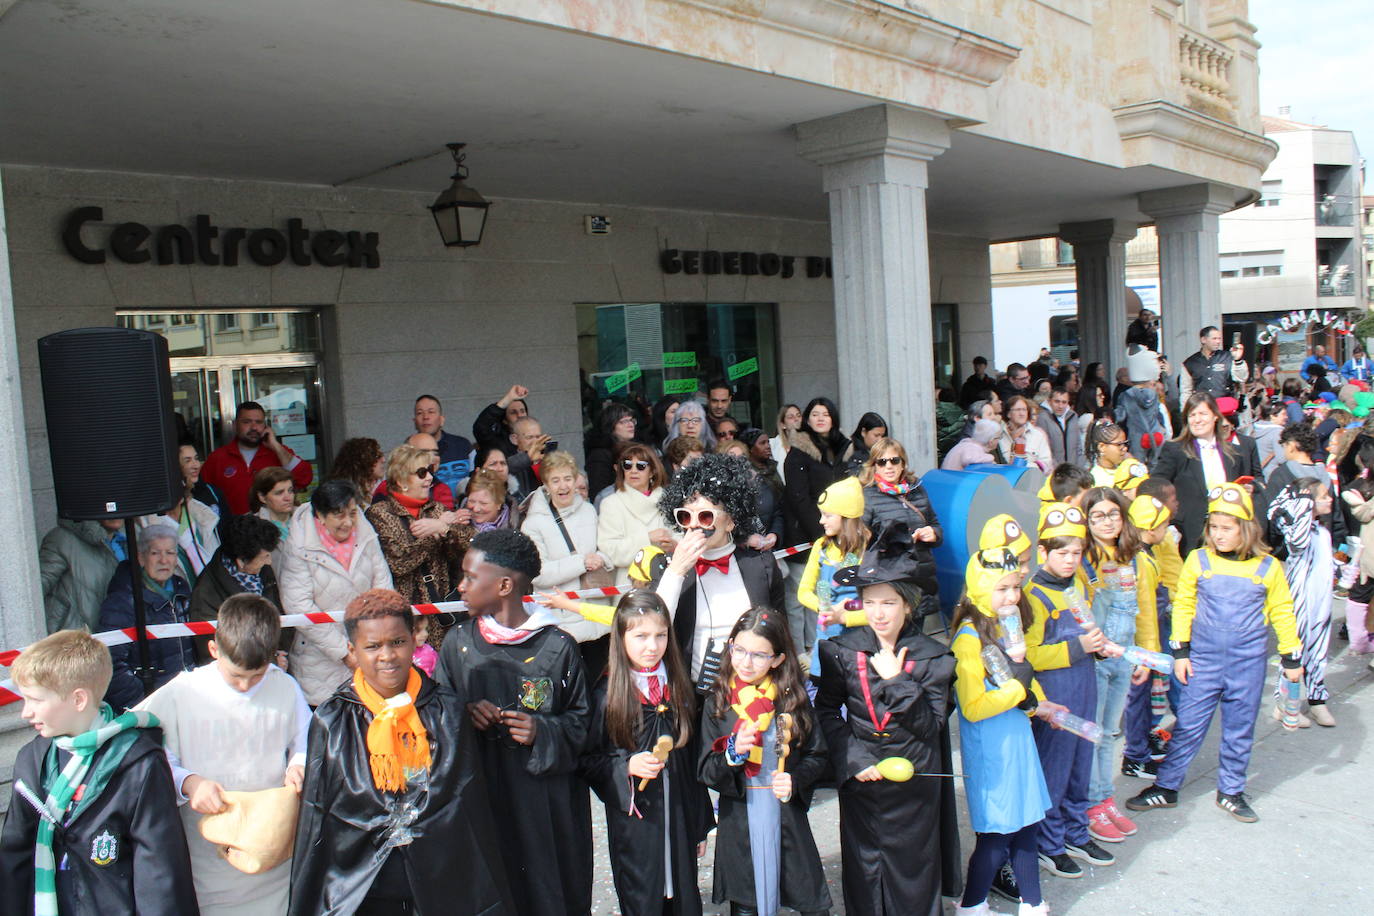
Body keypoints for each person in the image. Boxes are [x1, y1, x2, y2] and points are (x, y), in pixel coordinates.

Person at [289, 589, 514, 914]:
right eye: (372, 646)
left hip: (442, 878)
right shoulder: (333, 719)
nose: (387, 656)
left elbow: (466, 804)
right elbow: (319, 816)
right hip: (365, 884)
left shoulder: (446, 709)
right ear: (353, 650)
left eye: (397, 642)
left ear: (413, 640)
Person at [435, 529, 593, 916]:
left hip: (545, 807)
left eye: (471, 577)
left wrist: (543, 731)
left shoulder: (557, 647)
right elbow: (437, 721)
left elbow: (583, 725)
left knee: (546, 893)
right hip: (484, 798)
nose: (461, 585)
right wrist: (465, 714)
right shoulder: (459, 644)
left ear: (504, 585)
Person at [1126, 484, 1301, 823]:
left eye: (1227, 528)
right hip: (1202, 661)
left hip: (1247, 664)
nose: (1219, 535)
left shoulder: (1268, 568)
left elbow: (1282, 611)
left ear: (1246, 529)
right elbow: (1184, 605)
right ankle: (1167, 786)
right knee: (1188, 724)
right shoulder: (1199, 559)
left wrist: (1292, 658)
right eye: (1214, 528)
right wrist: (1180, 651)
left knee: (1240, 726)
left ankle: (1232, 790)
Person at [1, 629, 199, 916]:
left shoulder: (137, 762)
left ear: (78, 699)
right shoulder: (32, 760)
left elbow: (160, 868)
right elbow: (14, 856)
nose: (25, 712)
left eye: (36, 700)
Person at [816, 526, 960, 916]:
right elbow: (826, 712)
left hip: (914, 785)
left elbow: (930, 726)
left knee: (913, 873)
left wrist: (898, 682)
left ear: (908, 606)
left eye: (889, 603)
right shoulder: (842, 652)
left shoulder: (934, 658)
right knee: (864, 871)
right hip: (862, 783)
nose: (878, 613)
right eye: (871, 602)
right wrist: (855, 759)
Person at [136, 594, 309, 916]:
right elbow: (148, 756)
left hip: (272, 841)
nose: (245, 686)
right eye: (235, 676)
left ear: (272, 659)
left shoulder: (285, 687)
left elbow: (305, 740)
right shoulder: (181, 692)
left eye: (256, 676)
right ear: (214, 650)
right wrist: (189, 782)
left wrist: (298, 765)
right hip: (208, 849)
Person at [580, 591, 714, 916]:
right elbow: (587, 758)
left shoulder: (680, 688)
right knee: (643, 895)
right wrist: (627, 765)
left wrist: (699, 823)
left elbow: (693, 758)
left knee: (684, 893)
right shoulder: (607, 694)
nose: (651, 646)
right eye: (640, 636)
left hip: (680, 811)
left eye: (660, 635)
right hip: (637, 820)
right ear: (620, 637)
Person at [699, 607, 832, 916]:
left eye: (759, 655)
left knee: (810, 901)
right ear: (730, 646)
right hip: (740, 816)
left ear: (778, 659)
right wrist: (732, 753)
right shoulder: (718, 701)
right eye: (740, 650)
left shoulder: (791, 699)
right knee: (746, 903)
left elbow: (817, 754)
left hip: (785, 813)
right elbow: (705, 768)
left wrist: (795, 779)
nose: (746, 662)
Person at [950, 547, 1059, 916]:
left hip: (1017, 738)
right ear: (980, 588)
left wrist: (1039, 704)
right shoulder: (968, 638)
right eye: (1002, 589)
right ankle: (973, 904)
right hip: (992, 749)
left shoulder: (1001, 625)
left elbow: (1018, 674)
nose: (1012, 596)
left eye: (1015, 587)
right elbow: (973, 706)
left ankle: (1033, 902)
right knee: (997, 835)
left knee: (1027, 824)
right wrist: (1018, 690)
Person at [1024, 504, 1114, 880]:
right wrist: (1079, 648)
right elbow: (1029, 656)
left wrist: (1099, 643)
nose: (1070, 560)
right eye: (1061, 553)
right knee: (1055, 769)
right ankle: (1050, 842)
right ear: (1043, 552)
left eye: (1076, 553)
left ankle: (1077, 832)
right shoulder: (1032, 595)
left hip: (1085, 685)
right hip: (1056, 693)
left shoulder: (1077, 587)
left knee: (1081, 764)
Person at [656, 453, 787, 687]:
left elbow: (779, 634)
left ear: (730, 521)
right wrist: (675, 571)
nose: (694, 524)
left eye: (706, 516)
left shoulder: (761, 566)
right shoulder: (668, 568)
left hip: (751, 692)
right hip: (692, 693)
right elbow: (654, 626)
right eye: (685, 516)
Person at [1078, 488, 1159, 844]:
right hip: (1093, 661)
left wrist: (1147, 653)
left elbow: (1146, 610)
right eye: (1098, 516)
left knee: (1111, 733)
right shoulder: (1082, 559)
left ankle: (1105, 798)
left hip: (1124, 658)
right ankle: (1091, 803)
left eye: (1113, 514)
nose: (1107, 521)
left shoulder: (1136, 558)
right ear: (1086, 520)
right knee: (1092, 732)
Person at [277, 479, 393, 707]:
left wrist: (373, 640)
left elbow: (383, 586)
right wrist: (343, 651)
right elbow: (298, 605)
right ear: (320, 515)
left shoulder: (366, 534)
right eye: (339, 515)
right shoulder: (299, 545)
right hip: (318, 659)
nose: (348, 522)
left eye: (352, 513)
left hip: (368, 648)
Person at [365, 444, 474, 631]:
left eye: (430, 471)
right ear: (401, 480)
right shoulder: (379, 514)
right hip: (406, 617)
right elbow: (398, 562)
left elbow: (472, 545)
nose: (430, 477)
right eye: (422, 473)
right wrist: (434, 533)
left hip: (444, 614)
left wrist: (444, 528)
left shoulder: (437, 509)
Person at [521, 450, 614, 649]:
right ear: (545, 485)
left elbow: (604, 548)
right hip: (561, 621)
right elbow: (537, 575)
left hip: (596, 612)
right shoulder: (532, 524)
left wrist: (600, 558)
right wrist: (581, 562)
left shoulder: (589, 510)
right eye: (555, 480)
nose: (563, 486)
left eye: (568, 479)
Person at [98, 523, 196, 710]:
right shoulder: (122, 601)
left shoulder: (182, 590)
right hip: (149, 708)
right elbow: (111, 665)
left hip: (186, 699)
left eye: (170, 553)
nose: (163, 560)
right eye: (155, 553)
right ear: (141, 558)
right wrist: (146, 703)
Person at [1151, 393, 1264, 554]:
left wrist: (1249, 488)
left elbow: (1250, 480)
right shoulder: (1175, 450)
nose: (1197, 420)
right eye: (1192, 415)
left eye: (1203, 414)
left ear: (1215, 417)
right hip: (1188, 530)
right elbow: (1157, 486)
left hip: (1225, 530)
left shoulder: (1234, 453)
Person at [1118, 492, 1180, 777]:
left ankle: (1142, 746)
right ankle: (1135, 756)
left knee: (1143, 699)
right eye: (1164, 525)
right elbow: (1142, 612)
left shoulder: (1144, 553)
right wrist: (1149, 653)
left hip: (1148, 641)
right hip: (1141, 645)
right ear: (1150, 528)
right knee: (1136, 701)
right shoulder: (1137, 560)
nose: (1167, 530)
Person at [1267, 479, 1337, 727]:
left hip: (1321, 600)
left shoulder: (1323, 533)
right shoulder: (1297, 531)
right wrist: (1304, 502)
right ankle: (1285, 703)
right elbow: (1296, 543)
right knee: (1295, 650)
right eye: (1323, 496)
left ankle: (1318, 700)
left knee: (1319, 650)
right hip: (1300, 599)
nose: (1329, 499)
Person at [859, 438, 942, 618]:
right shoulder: (869, 495)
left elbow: (935, 524)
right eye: (882, 462)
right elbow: (861, 542)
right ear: (874, 466)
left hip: (920, 574)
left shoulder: (917, 490)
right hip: (889, 578)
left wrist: (933, 533)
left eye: (894, 460)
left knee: (917, 637)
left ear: (903, 464)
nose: (889, 466)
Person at [798, 477, 871, 679]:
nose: (821, 521)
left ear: (846, 516)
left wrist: (845, 615)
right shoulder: (821, 547)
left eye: (828, 515)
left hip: (859, 640)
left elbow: (878, 608)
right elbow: (803, 592)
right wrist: (825, 609)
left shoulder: (869, 550)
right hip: (826, 637)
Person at [187, 513, 282, 664]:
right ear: (241, 561)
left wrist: (280, 654)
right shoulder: (206, 593)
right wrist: (271, 661)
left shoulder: (262, 571)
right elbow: (215, 651)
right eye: (264, 557)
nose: (269, 562)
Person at [202, 401, 314, 515]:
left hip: (274, 528)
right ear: (235, 425)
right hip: (233, 528)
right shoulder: (217, 458)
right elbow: (204, 497)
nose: (254, 427)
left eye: (259, 422)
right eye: (247, 422)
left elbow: (305, 478)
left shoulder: (278, 452)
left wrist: (275, 445)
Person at [141, 442, 223, 585]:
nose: (196, 465)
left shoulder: (202, 516)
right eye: (187, 460)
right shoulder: (147, 524)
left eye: (177, 485)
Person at [597, 443, 675, 583]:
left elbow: (681, 538)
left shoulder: (667, 500)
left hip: (667, 579)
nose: (633, 470)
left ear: (652, 472)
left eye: (641, 466)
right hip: (629, 583)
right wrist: (647, 538)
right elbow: (610, 551)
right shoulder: (611, 504)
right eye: (627, 465)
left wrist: (673, 544)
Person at [39, 517, 125, 633]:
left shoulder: (125, 542)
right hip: (71, 643)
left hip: (113, 640)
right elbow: (35, 590)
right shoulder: (62, 539)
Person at [410, 393, 478, 498]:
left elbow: (478, 479)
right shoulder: (409, 450)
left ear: (442, 420)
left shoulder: (463, 444)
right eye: (420, 413)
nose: (426, 417)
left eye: (431, 412)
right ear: (414, 421)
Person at [1116, 347, 1168, 463]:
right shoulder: (1153, 394)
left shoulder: (1126, 396)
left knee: (1138, 466)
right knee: (1155, 465)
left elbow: (1120, 416)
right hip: (1156, 434)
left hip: (1138, 437)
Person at [585, 404, 641, 498]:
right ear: (610, 426)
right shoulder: (600, 455)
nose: (630, 425)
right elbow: (598, 492)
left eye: (632, 420)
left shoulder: (636, 449)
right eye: (624, 422)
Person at [1179, 326, 1247, 403]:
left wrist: (1237, 359)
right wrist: (1185, 411)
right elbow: (1186, 391)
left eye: (1219, 338)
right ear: (1203, 340)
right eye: (1214, 338)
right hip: (1202, 407)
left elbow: (1242, 378)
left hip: (1225, 407)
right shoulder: (1190, 362)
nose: (1218, 341)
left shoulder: (1228, 356)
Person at [473, 382, 530, 456]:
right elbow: (481, 426)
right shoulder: (495, 443)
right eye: (513, 412)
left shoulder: (538, 440)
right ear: (504, 420)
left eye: (522, 411)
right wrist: (509, 398)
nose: (519, 415)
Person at [999, 396, 1053, 472]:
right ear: (1008, 414)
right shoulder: (999, 435)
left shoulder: (1037, 435)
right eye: (1018, 410)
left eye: (1024, 410)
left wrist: (1023, 465)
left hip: (1030, 479)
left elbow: (1046, 464)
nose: (1022, 413)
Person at [1036, 387, 1084, 468]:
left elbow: (1078, 446)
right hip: (1053, 470)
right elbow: (1045, 448)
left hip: (1073, 470)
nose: (1060, 406)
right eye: (1057, 401)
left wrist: (1078, 468)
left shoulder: (1073, 416)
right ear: (1049, 401)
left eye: (1064, 402)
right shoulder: (1042, 418)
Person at [250, 466, 296, 547]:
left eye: (290, 490)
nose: (288, 498)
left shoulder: (307, 516)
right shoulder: (253, 528)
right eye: (279, 493)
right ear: (262, 497)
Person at [330, 437, 385, 503]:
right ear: (362, 462)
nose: (383, 460)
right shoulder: (344, 494)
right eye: (377, 456)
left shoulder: (382, 488)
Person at [771, 404, 802, 481]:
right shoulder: (772, 445)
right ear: (783, 425)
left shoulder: (811, 443)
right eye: (791, 417)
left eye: (798, 416)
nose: (796, 419)